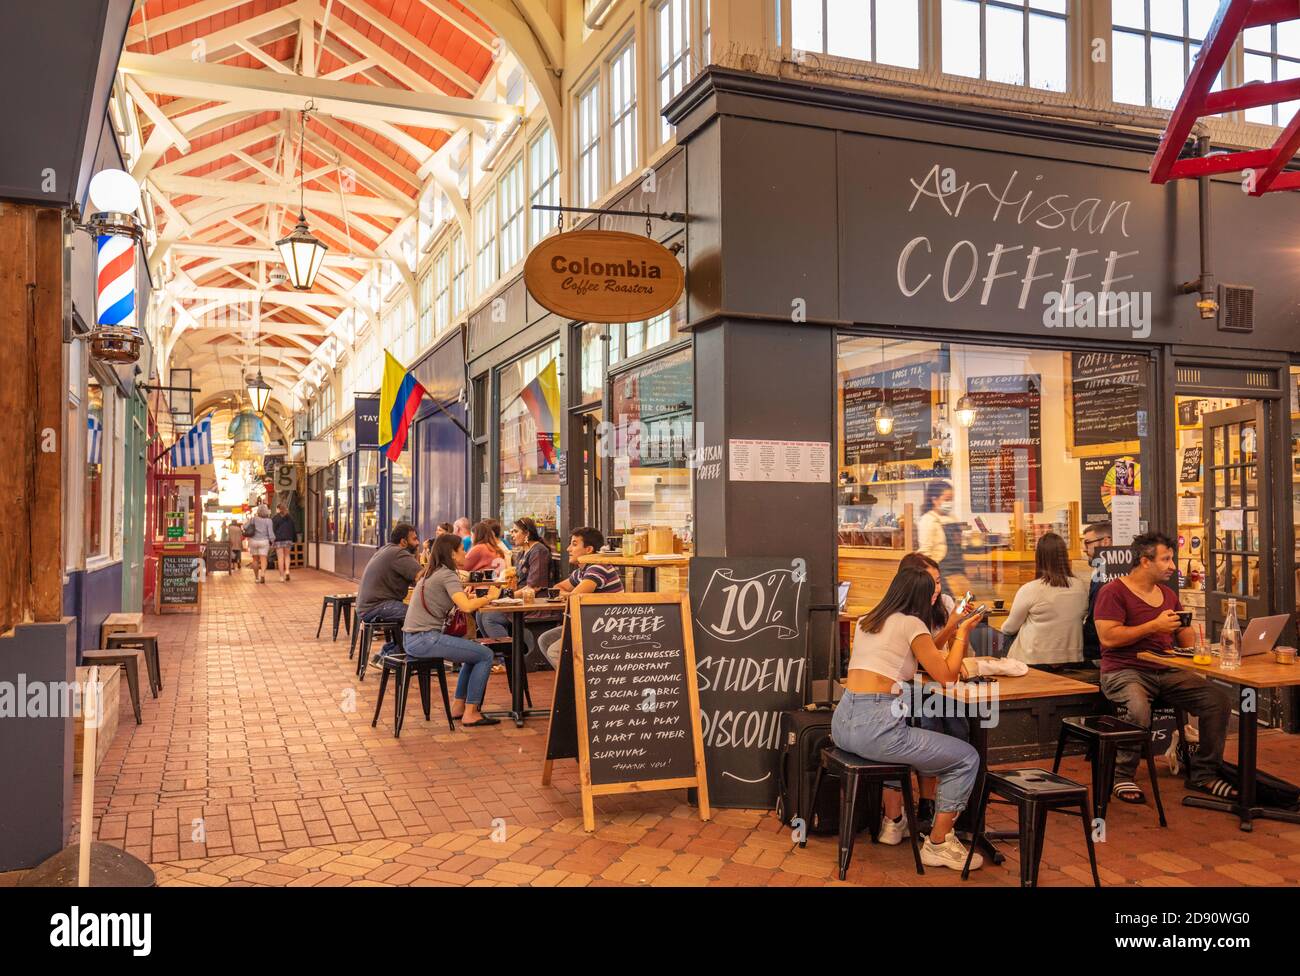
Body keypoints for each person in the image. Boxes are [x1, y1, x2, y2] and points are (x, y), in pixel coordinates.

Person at [834, 564, 984, 871]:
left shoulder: (868, 621)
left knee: (912, 727)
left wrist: (951, 625)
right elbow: (947, 677)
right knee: (966, 757)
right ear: (921, 597)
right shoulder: (912, 624)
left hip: (843, 724)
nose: (934, 600)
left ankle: (895, 821)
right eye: (931, 595)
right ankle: (939, 843)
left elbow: (923, 654)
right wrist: (963, 633)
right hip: (877, 730)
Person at [1093, 531, 1236, 805]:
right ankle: (1122, 774)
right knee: (1137, 709)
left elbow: (1184, 639)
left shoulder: (1168, 594)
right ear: (1145, 561)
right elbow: (1108, 637)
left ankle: (1204, 773)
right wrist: (1154, 626)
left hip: (1165, 669)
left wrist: (1192, 635)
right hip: (1124, 669)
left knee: (1217, 700)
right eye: (1166, 559)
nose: (1172, 565)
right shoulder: (1112, 592)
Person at [896, 551, 977, 828]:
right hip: (915, 686)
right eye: (931, 582)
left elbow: (952, 649)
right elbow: (924, 656)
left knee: (959, 727)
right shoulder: (903, 611)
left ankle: (953, 802)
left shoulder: (944, 602)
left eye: (939, 581)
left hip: (942, 684)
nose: (937, 589)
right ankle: (929, 804)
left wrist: (960, 652)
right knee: (929, 722)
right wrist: (953, 625)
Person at [403, 534, 502, 727]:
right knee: (485, 654)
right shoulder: (448, 574)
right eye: (462, 550)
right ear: (452, 553)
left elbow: (452, 601)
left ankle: (458, 707)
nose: (465, 553)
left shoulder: (431, 572)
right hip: (425, 639)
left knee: (473, 652)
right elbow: (466, 607)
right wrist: (491, 596)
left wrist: (462, 597)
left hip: (413, 638)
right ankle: (471, 713)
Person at [537, 527, 624, 669]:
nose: (568, 549)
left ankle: (581, 687)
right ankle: (572, 686)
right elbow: (558, 588)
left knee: (555, 651)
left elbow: (574, 597)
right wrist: (567, 594)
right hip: (588, 624)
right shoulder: (581, 572)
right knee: (545, 640)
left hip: (606, 628)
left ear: (589, 549)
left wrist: (567, 595)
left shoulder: (598, 567)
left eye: (574, 544)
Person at [1001, 532, 1089, 666]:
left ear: (1039, 558)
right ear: (1064, 556)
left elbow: (1009, 628)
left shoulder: (1031, 589)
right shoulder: (1080, 586)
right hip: (1072, 658)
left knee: (982, 632)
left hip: (1033, 659)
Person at [480, 517, 556, 644]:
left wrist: (505, 598)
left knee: (489, 617)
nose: (512, 535)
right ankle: (493, 654)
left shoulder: (539, 551)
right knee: (480, 614)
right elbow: (515, 578)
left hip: (534, 602)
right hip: (519, 600)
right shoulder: (522, 552)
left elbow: (534, 587)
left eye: (515, 531)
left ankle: (509, 657)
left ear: (526, 533)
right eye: (512, 531)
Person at [357, 522, 422, 661]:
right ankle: (393, 657)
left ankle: (387, 653)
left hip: (368, 606)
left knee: (410, 615)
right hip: (376, 607)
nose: (418, 542)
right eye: (414, 539)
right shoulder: (399, 553)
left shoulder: (387, 549)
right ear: (403, 542)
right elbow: (421, 577)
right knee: (417, 616)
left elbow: (414, 578)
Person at [916, 480, 971, 600]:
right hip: (942, 573)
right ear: (934, 499)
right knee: (950, 608)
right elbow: (925, 552)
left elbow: (960, 544)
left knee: (966, 606)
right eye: (946, 499)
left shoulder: (952, 518)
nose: (950, 503)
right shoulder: (928, 520)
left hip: (959, 572)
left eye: (951, 499)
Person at [1081, 521, 1112, 662]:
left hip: (1099, 652)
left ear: (1105, 542)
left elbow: (1095, 617)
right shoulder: (1100, 571)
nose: (1084, 549)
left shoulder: (1105, 575)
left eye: (1087, 543)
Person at [243, 505, 275, 583]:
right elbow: (271, 533)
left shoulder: (253, 519)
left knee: (255, 559)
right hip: (264, 541)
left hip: (253, 541)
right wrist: (273, 541)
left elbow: (245, 527)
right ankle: (262, 575)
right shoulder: (269, 521)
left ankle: (256, 577)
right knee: (263, 559)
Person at [272, 503, 296, 582]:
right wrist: (294, 539)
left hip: (278, 540)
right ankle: (287, 571)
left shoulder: (275, 518)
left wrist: (272, 540)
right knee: (287, 556)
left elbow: (273, 530)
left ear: (278, 509)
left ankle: (281, 577)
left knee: (280, 558)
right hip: (288, 539)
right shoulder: (290, 518)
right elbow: (293, 529)